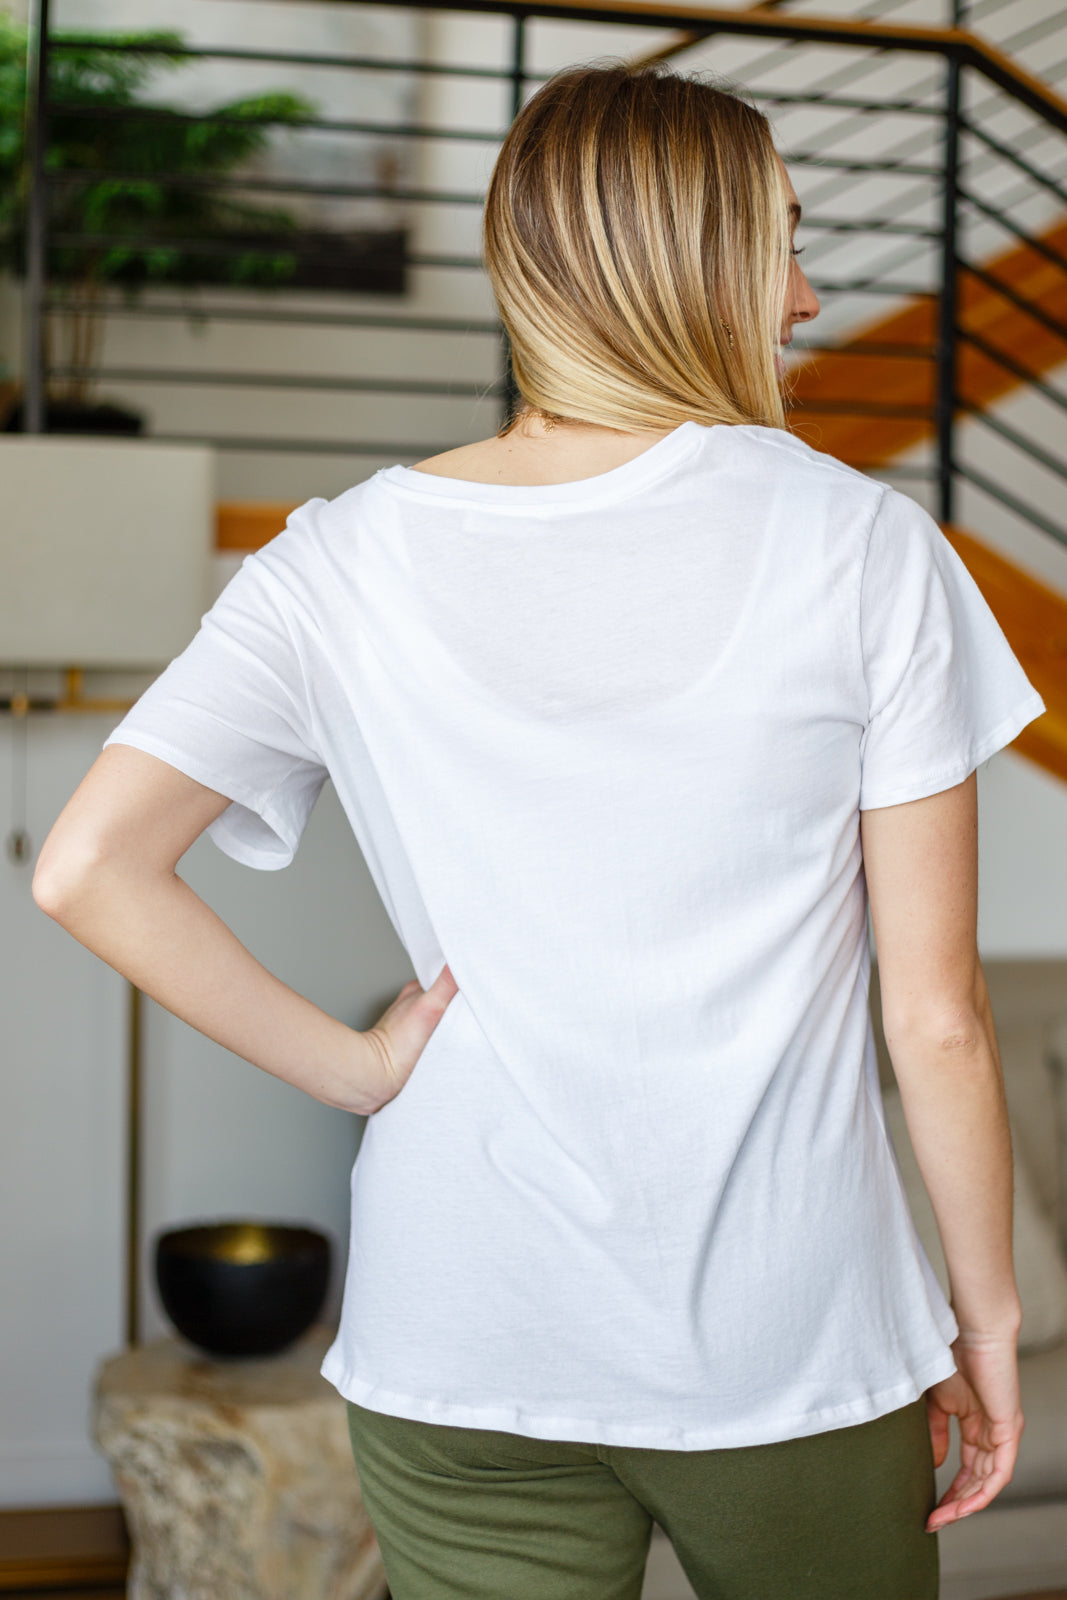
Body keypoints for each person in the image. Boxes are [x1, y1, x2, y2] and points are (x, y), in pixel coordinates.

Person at [33, 60, 1043, 1600]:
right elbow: (940, 1022)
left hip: (458, 1331)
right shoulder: (865, 550)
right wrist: (984, 1323)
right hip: (785, 1344)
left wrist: (360, 1069)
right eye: (781, 244)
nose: (813, 296)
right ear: (686, 268)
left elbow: (86, 865)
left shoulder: (337, 560)